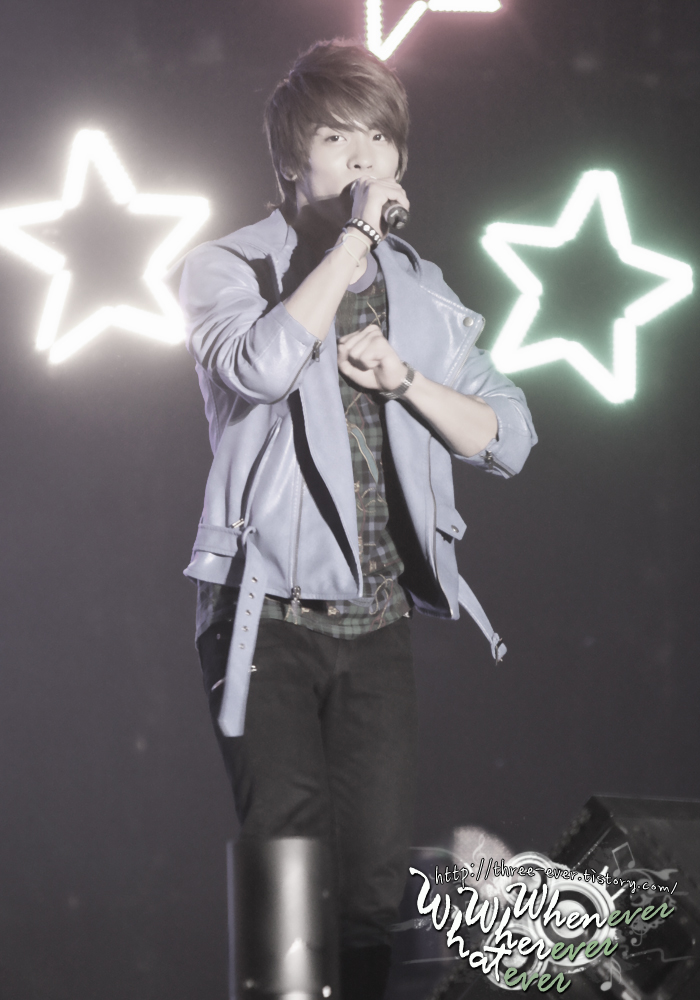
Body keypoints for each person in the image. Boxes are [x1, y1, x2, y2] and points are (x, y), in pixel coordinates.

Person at [179, 39, 536, 1000]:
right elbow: (259, 366)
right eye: (338, 137)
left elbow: (507, 437)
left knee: (376, 887)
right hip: (263, 612)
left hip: (376, 624)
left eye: (379, 137)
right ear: (291, 158)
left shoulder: (422, 293)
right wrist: (351, 245)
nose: (364, 156)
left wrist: (407, 379)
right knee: (289, 853)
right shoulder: (226, 267)